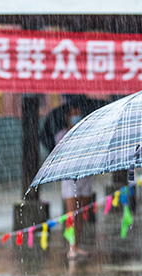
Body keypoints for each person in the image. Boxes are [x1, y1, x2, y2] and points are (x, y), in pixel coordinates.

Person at [56, 106, 94, 260]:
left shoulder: (88, 134)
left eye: (78, 112)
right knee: (72, 213)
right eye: (73, 113)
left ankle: (77, 243)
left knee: (81, 212)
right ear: (67, 116)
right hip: (70, 178)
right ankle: (71, 246)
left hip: (85, 176)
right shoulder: (62, 135)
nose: (76, 115)